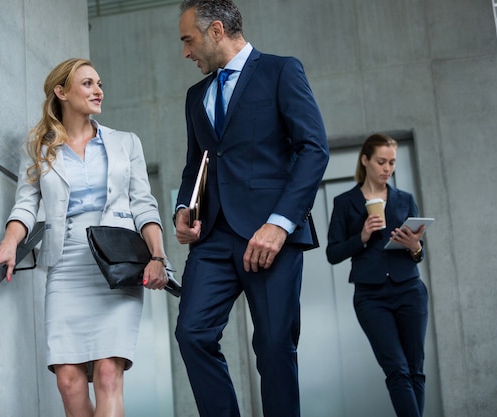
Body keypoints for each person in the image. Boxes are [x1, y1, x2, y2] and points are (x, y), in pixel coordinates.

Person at [0, 58, 169, 417]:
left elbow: (145, 205)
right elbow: (25, 204)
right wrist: (8, 244)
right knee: (68, 382)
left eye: (99, 83)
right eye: (87, 84)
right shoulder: (38, 146)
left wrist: (157, 257)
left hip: (116, 267)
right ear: (61, 92)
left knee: (109, 375)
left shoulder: (126, 143)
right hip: (66, 266)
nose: (98, 90)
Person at [173, 1, 329, 416]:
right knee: (192, 334)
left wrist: (279, 225)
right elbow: (196, 165)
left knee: (275, 344)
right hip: (214, 238)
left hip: (271, 234)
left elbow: (313, 149)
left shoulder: (281, 71)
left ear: (217, 30)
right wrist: (182, 210)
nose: (186, 52)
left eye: (189, 40)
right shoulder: (196, 96)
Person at [326, 133, 429, 417]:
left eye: (392, 163)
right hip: (371, 298)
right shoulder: (345, 203)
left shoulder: (405, 200)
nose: (387, 168)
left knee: (415, 370)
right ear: (365, 160)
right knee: (397, 370)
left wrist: (414, 246)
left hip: (410, 290)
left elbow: (420, 254)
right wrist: (361, 236)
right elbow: (332, 253)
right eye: (381, 161)